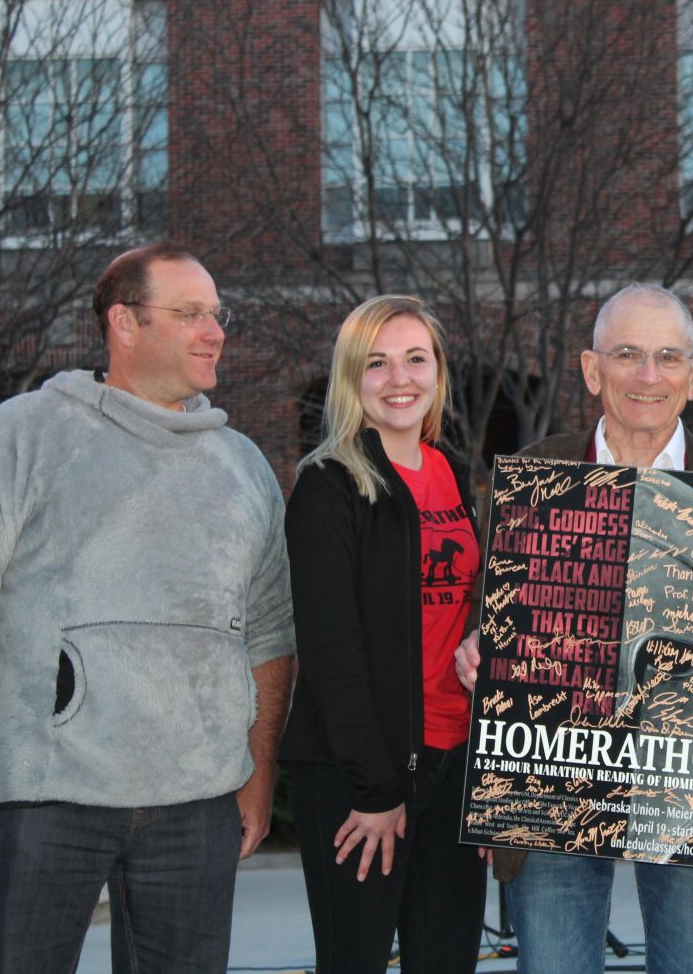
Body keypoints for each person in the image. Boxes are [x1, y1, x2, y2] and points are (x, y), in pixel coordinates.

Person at [0, 243, 295, 974]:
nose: (213, 331)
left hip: (197, 798)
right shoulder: (27, 431)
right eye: (189, 313)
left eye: (217, 313)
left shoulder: (243, 464)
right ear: (125, 323)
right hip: (48, 789)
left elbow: (270, 633)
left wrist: (257, 774)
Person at [455, 282, 693, 974]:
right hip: (553, 776)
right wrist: (481, 655)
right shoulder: (536, 478)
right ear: (590, 368)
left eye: (669, 357)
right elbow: (492, 609)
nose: (647, 376)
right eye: (628, 354)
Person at [280, 296, 487, 973]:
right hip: (359, 778)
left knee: (446, 961)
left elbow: (476, 610)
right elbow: (330, 651)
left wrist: (496, 779)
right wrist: (376, 788)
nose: (399, 378)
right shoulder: (328, 483)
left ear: (437, 371)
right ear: (352, 377)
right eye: (377, 362)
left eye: (415, 358)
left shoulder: (453, 471)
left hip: (455, 768)